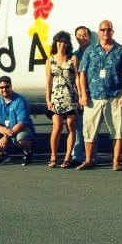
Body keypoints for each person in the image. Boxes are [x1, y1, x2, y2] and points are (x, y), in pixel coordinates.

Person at [76, 20, 122, 171]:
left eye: (108, 30)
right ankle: (88, 160)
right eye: (102, 30)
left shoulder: (121, 51)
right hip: (93, 97)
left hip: (114, 96)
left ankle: (116, 161)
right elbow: (82, 73)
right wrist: (82, 94)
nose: (105, 33)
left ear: (112, 31)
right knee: (89, 131)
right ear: (99, 32)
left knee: (117, 131)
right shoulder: (90, 51)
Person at [45, 30, 79, 168]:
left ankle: (67, 157)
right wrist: (48, 99)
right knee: (57, 127)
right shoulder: (50, 60)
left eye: (65, 42)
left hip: (70, 96)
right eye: (59, 42)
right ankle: (53, 155)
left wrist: (80, 94)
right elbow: (48, 82)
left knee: (71, 127)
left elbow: (77, 77)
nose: (62, 44)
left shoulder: (73, 58)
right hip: (56, 98)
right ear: (56, 43)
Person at [0, 75, 35, 165]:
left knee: (21, 138)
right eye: (1, 87)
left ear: (11, 86)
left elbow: (22, 124)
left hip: (20, 130)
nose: (4, 90)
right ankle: (2, 154)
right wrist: (0, 128)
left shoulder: (20, 101)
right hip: (4, 130)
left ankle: (28, 153)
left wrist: (6, 137)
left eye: (6, 87)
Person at [70, 25, 91, 165]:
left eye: (84, 35)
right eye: (79, 35)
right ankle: (76, 156)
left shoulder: (95, 52)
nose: (81, 37)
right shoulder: (74, 55)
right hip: (79, 94)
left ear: (89, 37)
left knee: (91, 128)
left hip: (93, 93)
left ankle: (92, 157)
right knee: (78, 127)